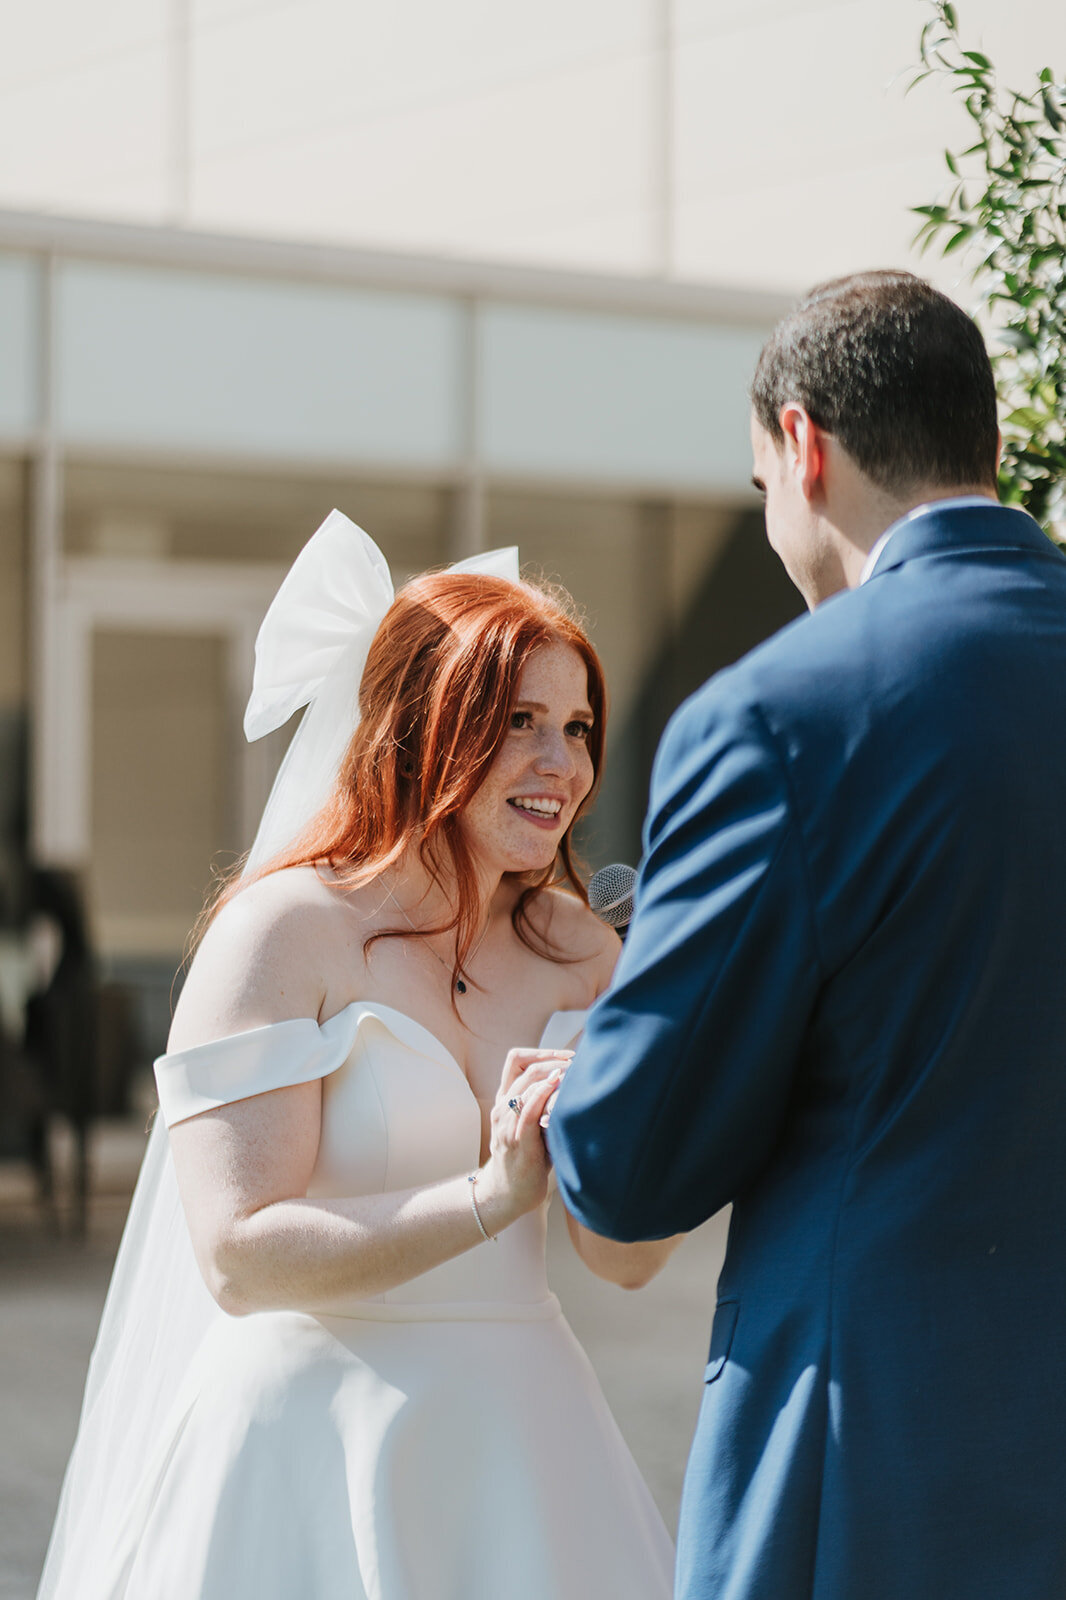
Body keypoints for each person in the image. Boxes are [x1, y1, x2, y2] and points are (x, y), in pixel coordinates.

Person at [38, 512, 678, 1600]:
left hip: (524, 1445)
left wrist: (645, 1127)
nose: (558, 763)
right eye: (518, 720)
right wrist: (486, 1195)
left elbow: (622, 1257)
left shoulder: (584, 952)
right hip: (302, 1445)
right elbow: (239, 1253)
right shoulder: (284, 933)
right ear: (430, 730)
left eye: (575, 728)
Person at [547, 270, 1066, 1600]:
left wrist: (598, 1040)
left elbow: (627, 1161)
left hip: (880, 1459)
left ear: (801, 446)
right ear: (988, 446)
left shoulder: (782, 715)